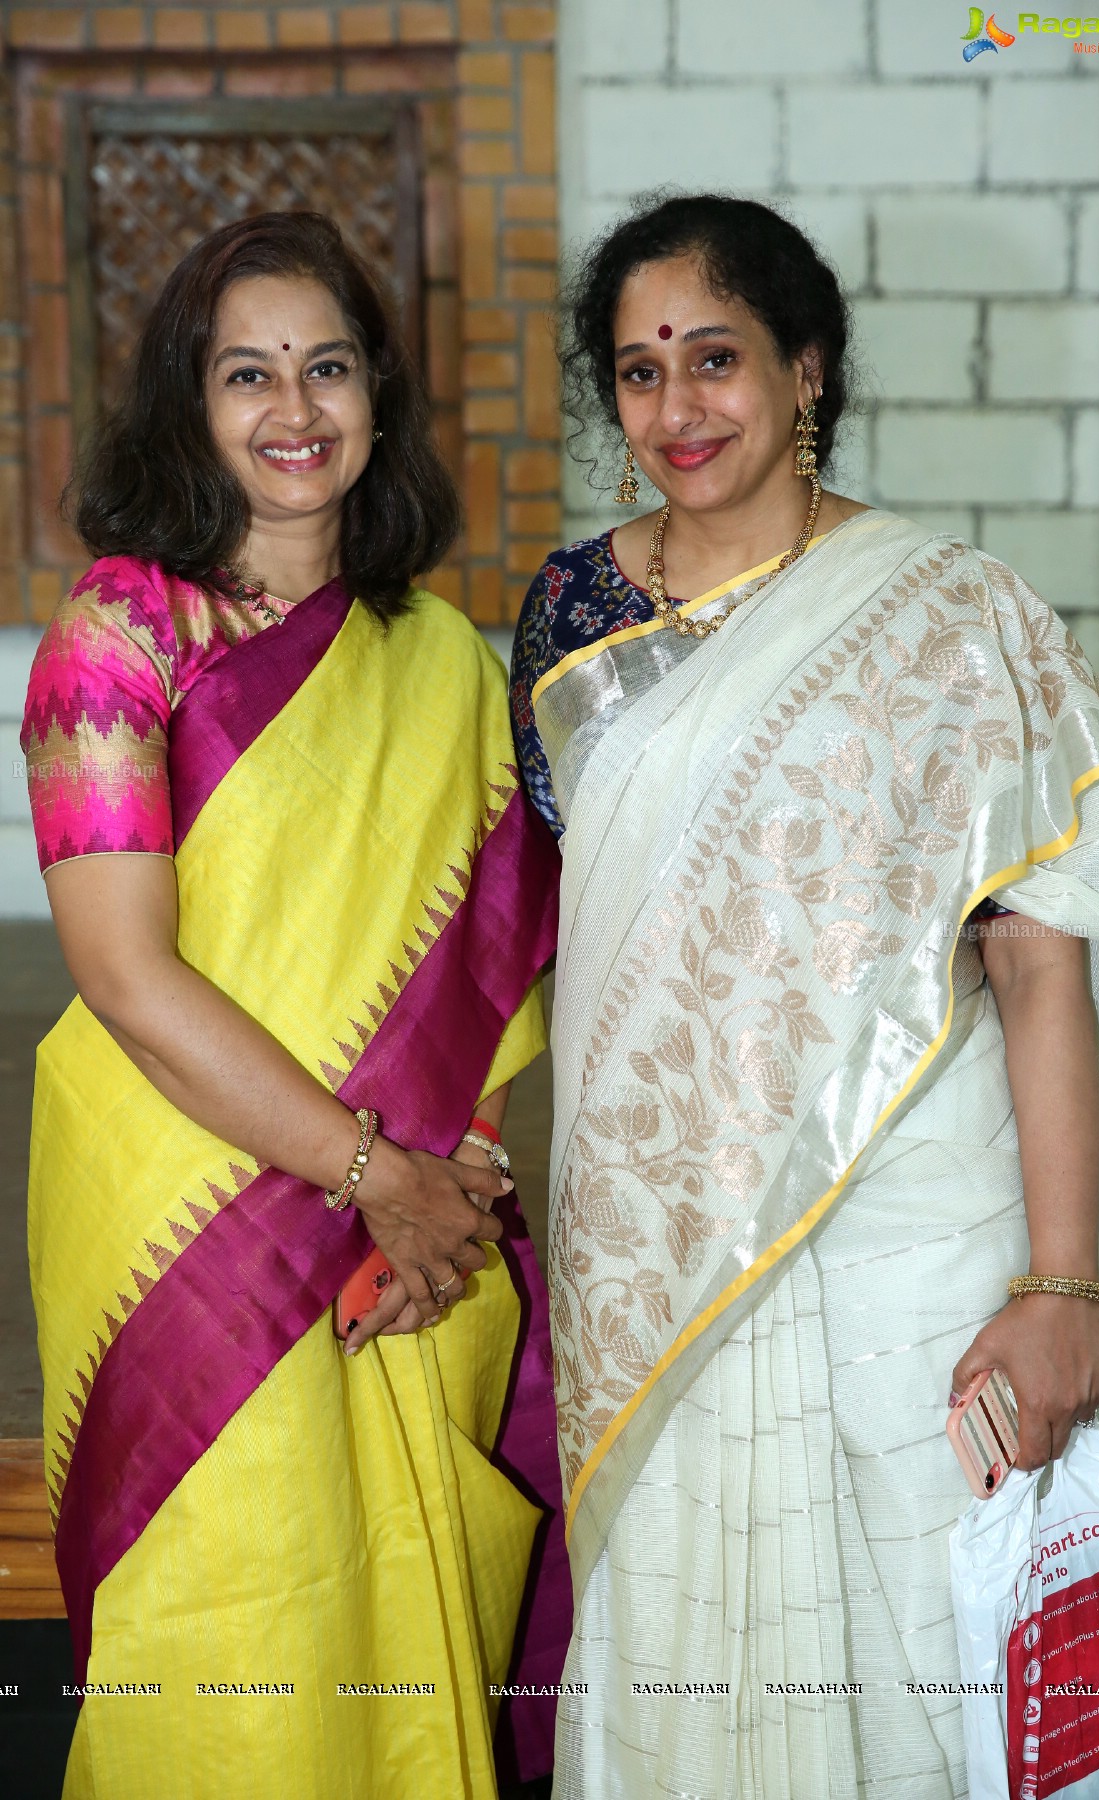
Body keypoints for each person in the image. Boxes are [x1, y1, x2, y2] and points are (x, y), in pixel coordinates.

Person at [510, 193, 1099, 1798]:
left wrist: (1067, 1286)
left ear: (806, 370)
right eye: (637, 371)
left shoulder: (953, 617)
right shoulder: (572, 621)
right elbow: (592, 937)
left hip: (915, 1233)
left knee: (917, 1655)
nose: (678, 408)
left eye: (717, 358)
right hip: (663, 1241)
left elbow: (1041, 966)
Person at [22, 211, 569, 1799]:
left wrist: (442, 1197)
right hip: (179, 1222)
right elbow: (125, 978)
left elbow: (484, 977)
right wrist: (369, 1177)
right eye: (246, 373)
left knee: (402, 1619)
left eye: (328, 367)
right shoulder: (120, 637)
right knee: (234, 1621)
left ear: (379, 399)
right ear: (188, 409)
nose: (294, 409)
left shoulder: (444, 666)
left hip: (402, 1235)